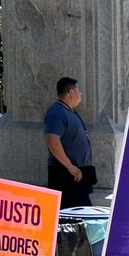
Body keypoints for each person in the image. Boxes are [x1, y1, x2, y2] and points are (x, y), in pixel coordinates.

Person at [44, 77, 94, 208]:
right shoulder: (57, 112)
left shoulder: (68, 111)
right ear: (71, 92)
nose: (81, 94)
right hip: (67, 173)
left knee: (80, 211)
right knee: (70, 213)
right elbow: (52, 141)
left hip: (77, 173)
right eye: (79, 90)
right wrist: (70, 167)